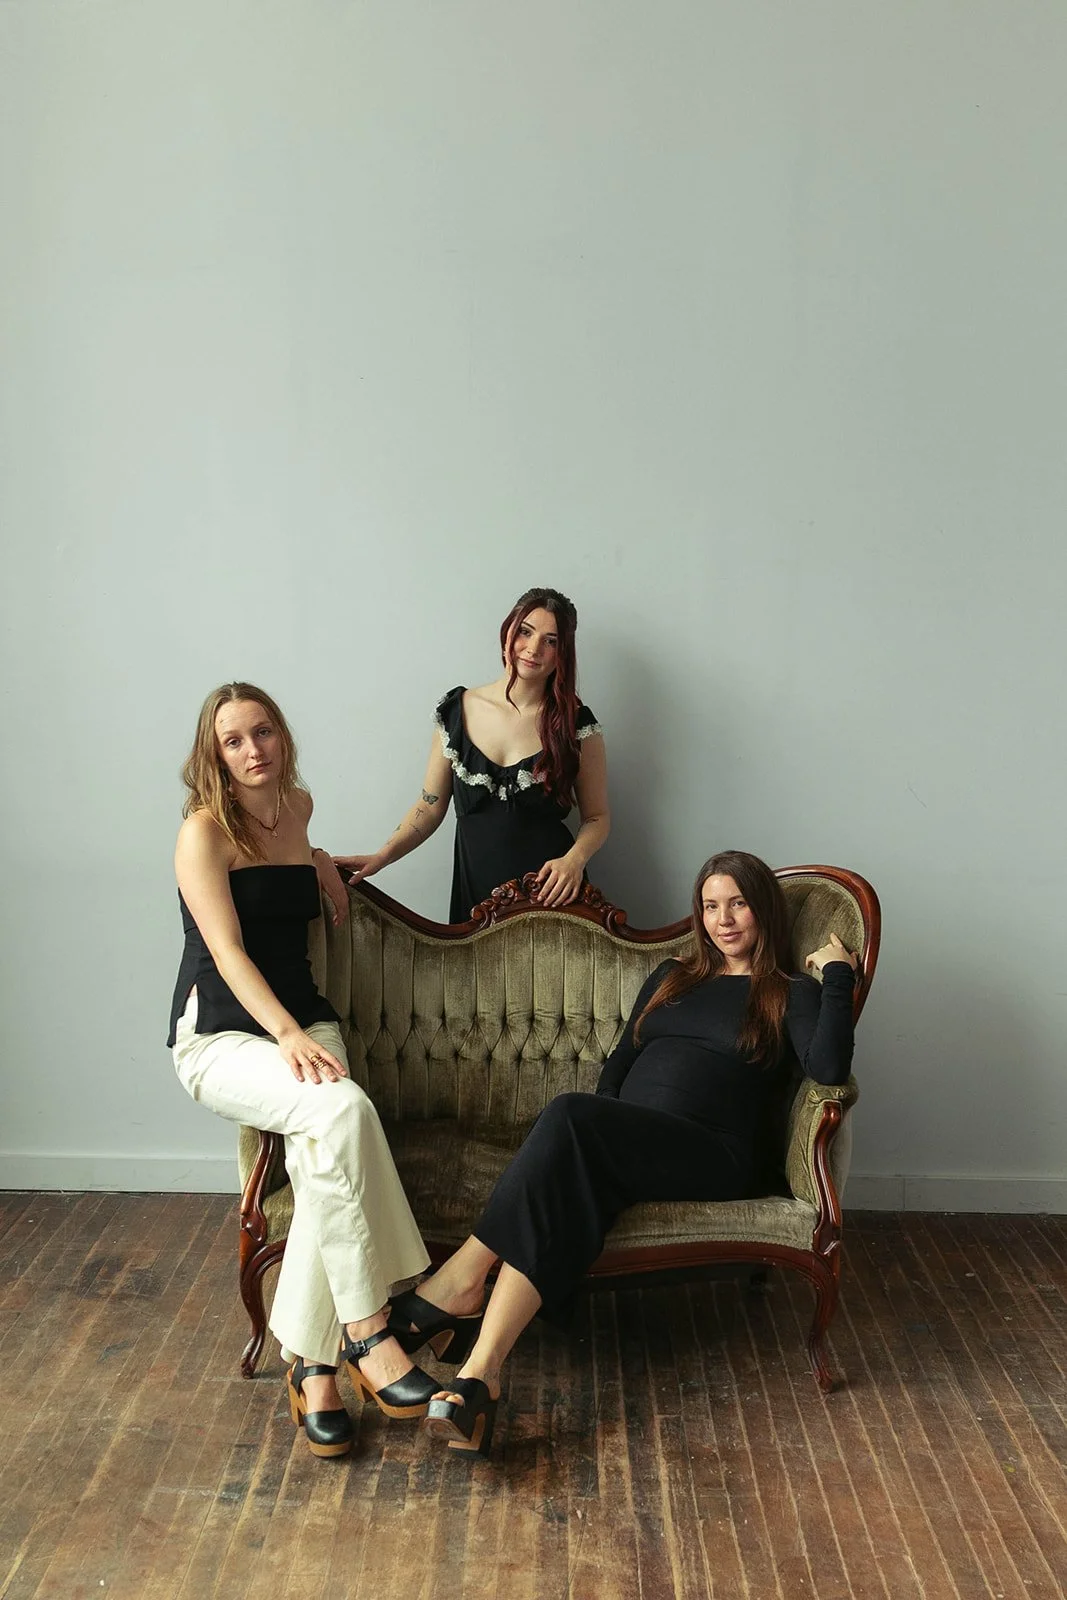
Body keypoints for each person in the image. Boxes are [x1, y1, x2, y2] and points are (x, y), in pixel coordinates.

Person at [382, 850, 858, 1457]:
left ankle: (457, 1280)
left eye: (738, 903)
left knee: (570, 1115)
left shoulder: (789, 992)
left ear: (764, 909)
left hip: (715, 1153)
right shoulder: (670, 976)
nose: (724, 920)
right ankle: (478, 1378)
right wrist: (608, 1125)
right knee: (572, 1184)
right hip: (634, 1141)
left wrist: (837, 975)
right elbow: (621, 1062)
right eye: (711, 906)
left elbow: (829, 1067)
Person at [168, 682, 439, 1460]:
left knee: (328, 1146)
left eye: (264, 733)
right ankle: (367, 1334)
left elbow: (290, 866)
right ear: (212, 754)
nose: (253, 751)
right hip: (224, 1032)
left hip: (307, 1023)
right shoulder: (202, 832)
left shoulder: (299, 806)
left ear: (282, 737)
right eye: (234, 741)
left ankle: (311, 1370)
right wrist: (284, 1035)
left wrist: (318, 861)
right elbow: (225, 951)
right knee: (343, 1113)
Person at [332, 587, 611, 922]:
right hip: (476, 898)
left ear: (562, 653)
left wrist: (574, 861)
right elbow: (429, 805)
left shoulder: (576, 724)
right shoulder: (458, 712)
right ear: (508, 630)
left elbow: (597, 817)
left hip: (553, 895)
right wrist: (382, 856)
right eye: (526, 631)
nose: (534, 648)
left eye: (551, 641)